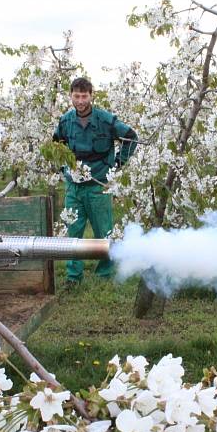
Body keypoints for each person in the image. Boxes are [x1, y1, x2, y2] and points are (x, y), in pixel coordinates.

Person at [52, 77, 138, 284]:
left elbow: (131, 137)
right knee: (73, 229)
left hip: (98, 185)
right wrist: (63, 166)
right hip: (74, 186)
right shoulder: (65, 121)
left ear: (91, 96)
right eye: (76, 96)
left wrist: (117, 163)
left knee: (103, 230)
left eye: (84, 96)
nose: (80, 101)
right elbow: (56, 144)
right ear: (71, 96)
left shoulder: (105, 119)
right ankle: (74, 275)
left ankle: (105, 272)